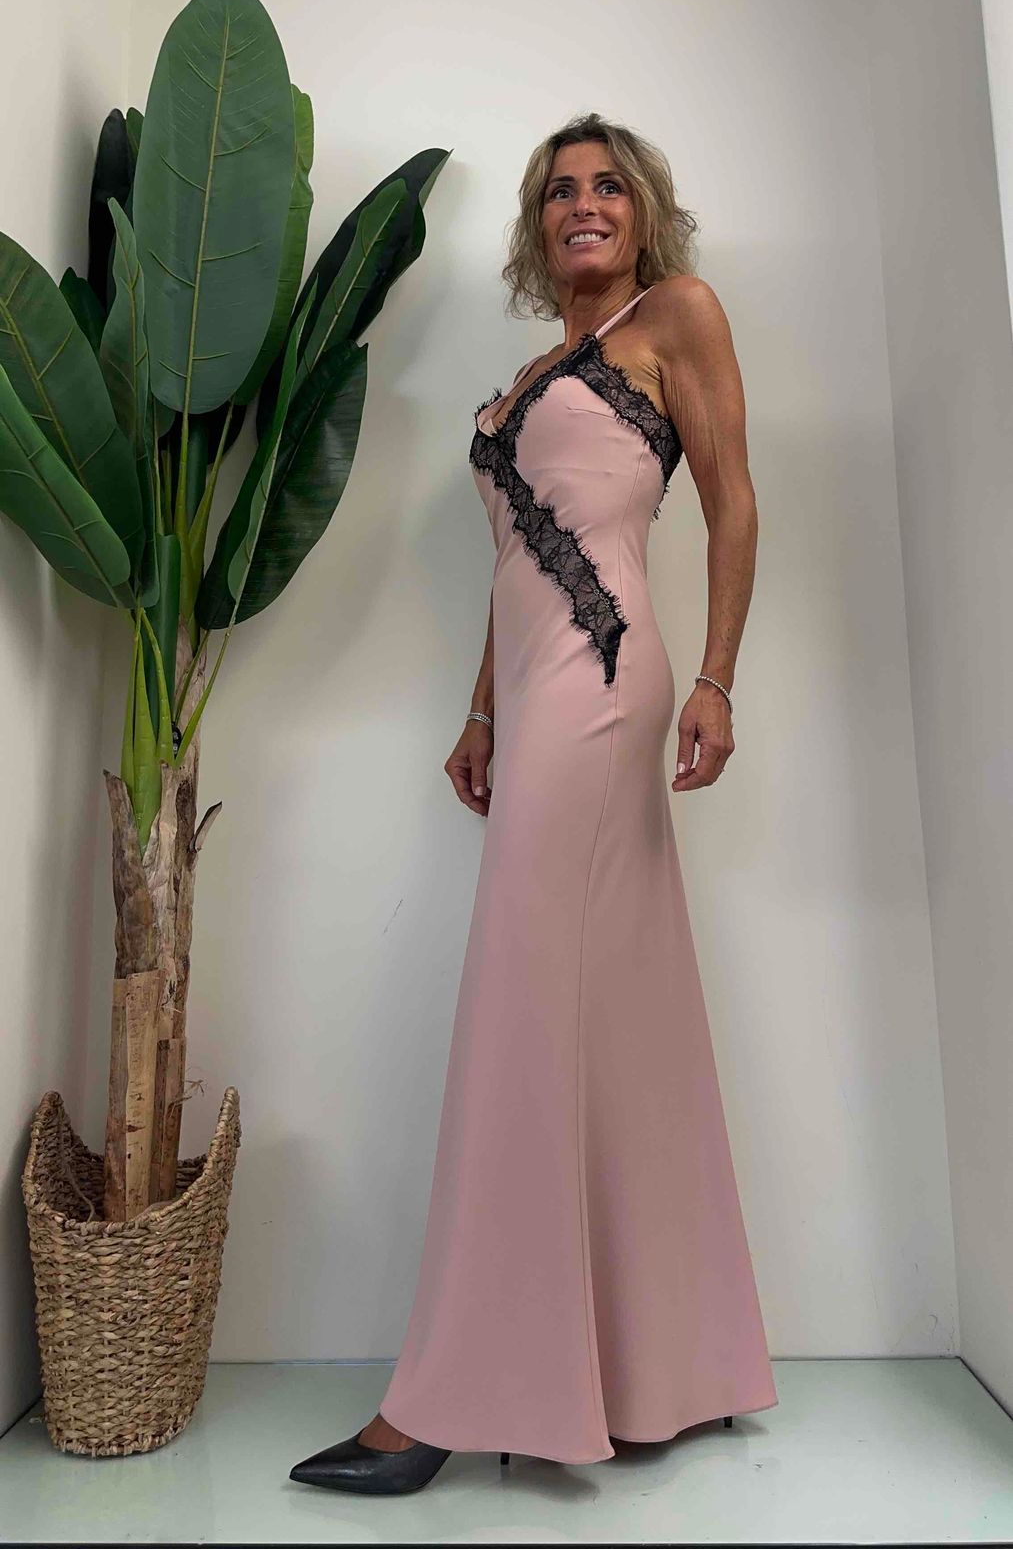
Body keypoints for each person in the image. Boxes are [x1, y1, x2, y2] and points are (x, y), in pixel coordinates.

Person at [290, 111, 778, 1497]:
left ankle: (448, 1396)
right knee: (604, 1017)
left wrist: (719, 680)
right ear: (536, 222)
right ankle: (657, 1367)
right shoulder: (529, 374)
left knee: (516, 1009)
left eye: (608, 187)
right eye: (560, 191)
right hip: (534, 690)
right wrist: (481, 711)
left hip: (609, 684)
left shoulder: (676, 317)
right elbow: (512, 563)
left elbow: (734, 503)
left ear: (643, 211)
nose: (583, 206)